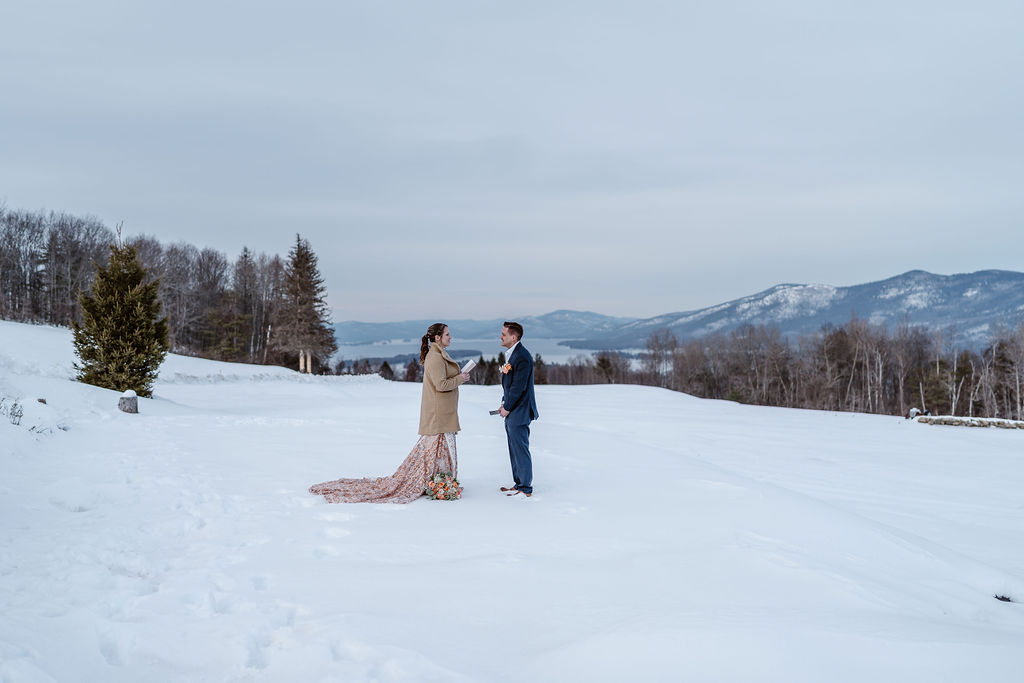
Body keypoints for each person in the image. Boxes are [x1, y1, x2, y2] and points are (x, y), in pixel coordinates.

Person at [310, 323, 470, 503]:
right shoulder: (435, 357)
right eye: (448, 334)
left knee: (439, 451)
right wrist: (460, 378)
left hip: (444, 413)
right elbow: (440, 385)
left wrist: (458, 378)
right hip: (438, 414)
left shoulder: (439, 354)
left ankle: (441, 482)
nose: (451, 337)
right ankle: (438, 483)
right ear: (438, 338)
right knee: (433, 451)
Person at [496, 321, 539, 497]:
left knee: (520, 449)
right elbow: (510, 386)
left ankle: (525, 488)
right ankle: (518, 483)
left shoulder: (522, 356)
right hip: (513, 409)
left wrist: (507, 407)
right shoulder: (513, 355)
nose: (501, 336)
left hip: (520, 411)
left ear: (513, 337)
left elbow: (519, 387)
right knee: (513, 448)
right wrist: (504, 402)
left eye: (503, 334)